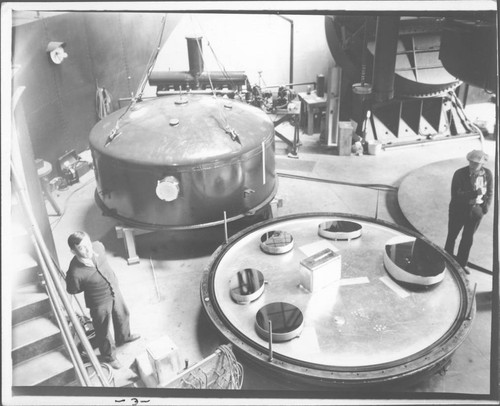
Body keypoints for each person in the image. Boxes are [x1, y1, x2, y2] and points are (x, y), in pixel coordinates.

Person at [66, 231, 140, 369]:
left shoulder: (98, 246)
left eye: (88, 244)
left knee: (122, 314)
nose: (88, 249)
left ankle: (124, 337)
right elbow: (73, 290)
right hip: (98, 302)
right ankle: (109, 356)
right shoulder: (75, 272)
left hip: (113, 288)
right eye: (82, 248)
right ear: (73, 251)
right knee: (103, 330)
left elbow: (96, 251)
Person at [444, 150, 493, 273]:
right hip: (458, 210)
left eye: (476, 163)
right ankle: (446, 261)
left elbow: (490, 192)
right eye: (471, 162)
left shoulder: (487, 174)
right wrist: (475, 193)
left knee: (467, 238)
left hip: (476, 211)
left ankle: (462, 264)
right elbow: (456, 195)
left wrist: (484, 208)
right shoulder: (460, 173)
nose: (472, 165)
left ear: (482, 164)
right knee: (452, 236)